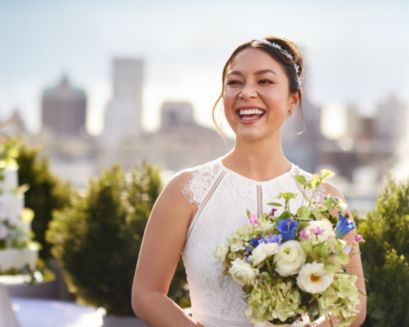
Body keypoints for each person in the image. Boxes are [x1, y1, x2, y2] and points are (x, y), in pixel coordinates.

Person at [131, 35, 367, 327]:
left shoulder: (325, 198)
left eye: (265, 82)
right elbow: (146, 293)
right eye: (234, 82)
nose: (247, 92)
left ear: (293, 99)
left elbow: (355, 304)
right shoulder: (186, 191)